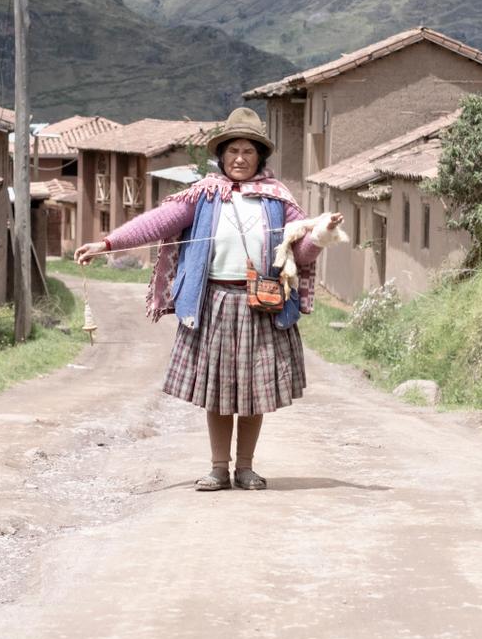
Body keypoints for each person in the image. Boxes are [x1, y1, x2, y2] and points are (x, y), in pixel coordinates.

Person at [75, 107, 343, 491]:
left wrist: (319, 234)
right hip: (214, 301)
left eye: (248, 152)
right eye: (232, 150)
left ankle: (246, 468)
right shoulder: (204, 196)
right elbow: (158, 222)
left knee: (253, 393)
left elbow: (297, 255)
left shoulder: (278, 201)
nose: (239, 158)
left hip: (261, 305)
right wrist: (107, 242)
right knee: (218, 393)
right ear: (221, 156)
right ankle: (219, 468)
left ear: (260, 158)